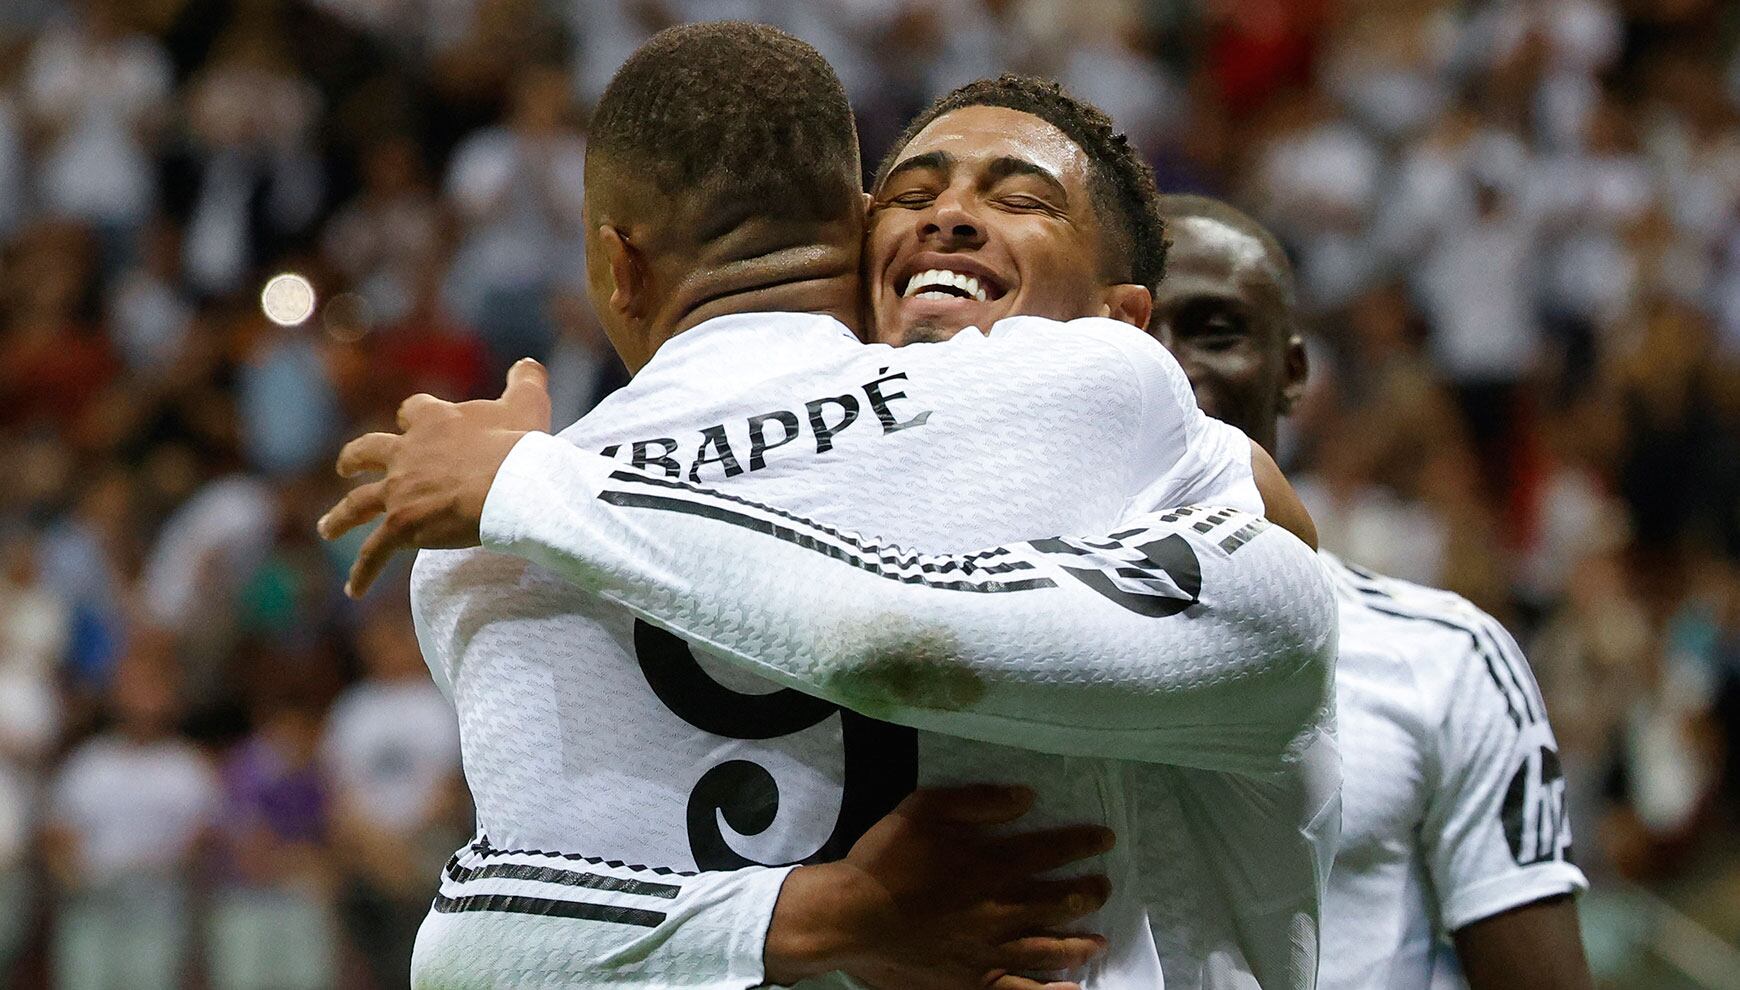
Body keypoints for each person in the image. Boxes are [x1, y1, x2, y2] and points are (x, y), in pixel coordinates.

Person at [322, 23, 1335, 990]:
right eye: (914, 191)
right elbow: (471, 949)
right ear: (853, 232)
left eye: (1021, 197)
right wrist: (813, 916)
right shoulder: (1109, 424)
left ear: (618, 269)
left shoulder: (497, 542)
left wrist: (531, 485)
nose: (949, 215)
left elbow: (895, 639)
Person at [1144, 195, 1590, 990]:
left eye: (1217, 331)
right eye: (1133, 336)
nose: (1173, 368)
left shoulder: (1448, 657)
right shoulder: (989, 641)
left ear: (1293, 373)